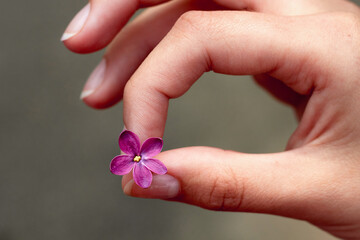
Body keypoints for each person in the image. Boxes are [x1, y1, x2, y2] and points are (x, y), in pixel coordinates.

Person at [61, 0, 360, 238]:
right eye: (136, 157)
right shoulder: (135, 158)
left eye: (138, 157)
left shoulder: (142, 158)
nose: (137, 159)